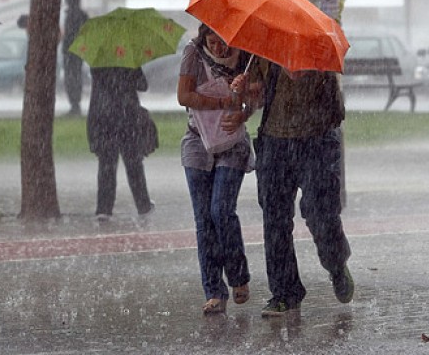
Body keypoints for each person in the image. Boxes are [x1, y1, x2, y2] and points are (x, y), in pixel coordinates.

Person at [224, 60, 354, 317]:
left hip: (316, 140)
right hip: (275, 143)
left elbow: (331, 101)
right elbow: (257, 96)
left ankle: (336, 264)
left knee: (320, 214)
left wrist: (305, 71)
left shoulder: (315, 51)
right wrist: (244, 91)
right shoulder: (266, 50)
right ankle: (285, 293)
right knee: (275, 219)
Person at [176, 24, 259, 314]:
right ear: (204, 36)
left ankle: (238, 277)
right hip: (197, 142)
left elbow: (255, 99)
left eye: (225, 42)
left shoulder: (247, 58)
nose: (220, 47)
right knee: (204, 219)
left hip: (232, 143)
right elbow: (184, 95)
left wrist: (242, 107)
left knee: (221, 210)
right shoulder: (193, 54)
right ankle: (213, 290)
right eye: (214, 40)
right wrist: (222, 101)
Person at [87, 66, 157, 221]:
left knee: (106, 164)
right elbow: (143, 85)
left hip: (103, 118)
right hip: (128, 117)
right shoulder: (128, 61)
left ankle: (104, 208)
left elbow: (97, 90)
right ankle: (143, 205)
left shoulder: (98, 65)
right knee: (134, 164)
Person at [61, 0, 89, 116]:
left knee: (71, 77)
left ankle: (74, 104)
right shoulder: (83, 15)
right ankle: (75, 103)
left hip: (70, 51)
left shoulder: (71, 15)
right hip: (78, 50)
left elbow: (69, 34)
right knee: (76, 77)